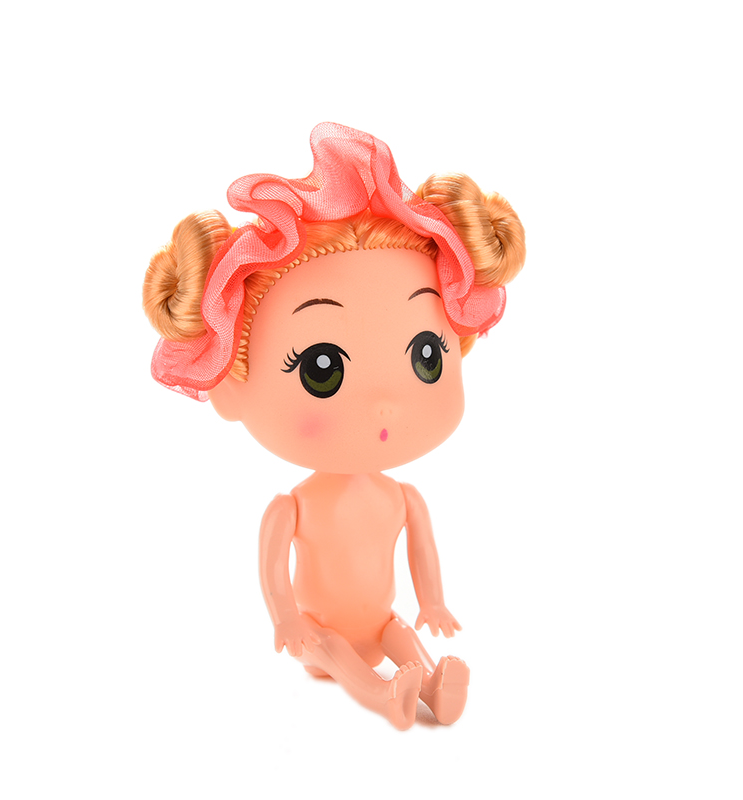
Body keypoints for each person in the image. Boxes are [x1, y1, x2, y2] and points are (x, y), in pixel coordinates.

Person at [143, 123, 525, 729]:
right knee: (333, 651)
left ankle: (432, 683)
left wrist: (432, 602)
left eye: (427, 355)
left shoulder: (403, 499)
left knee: (401, 636)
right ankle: (382, 696)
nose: (384, 404)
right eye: (322, 368)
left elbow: (422, 555)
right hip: (316, 632)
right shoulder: (291, 508)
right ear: (231, 385)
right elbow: (273, 574)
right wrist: (285, 618)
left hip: (384, 620)